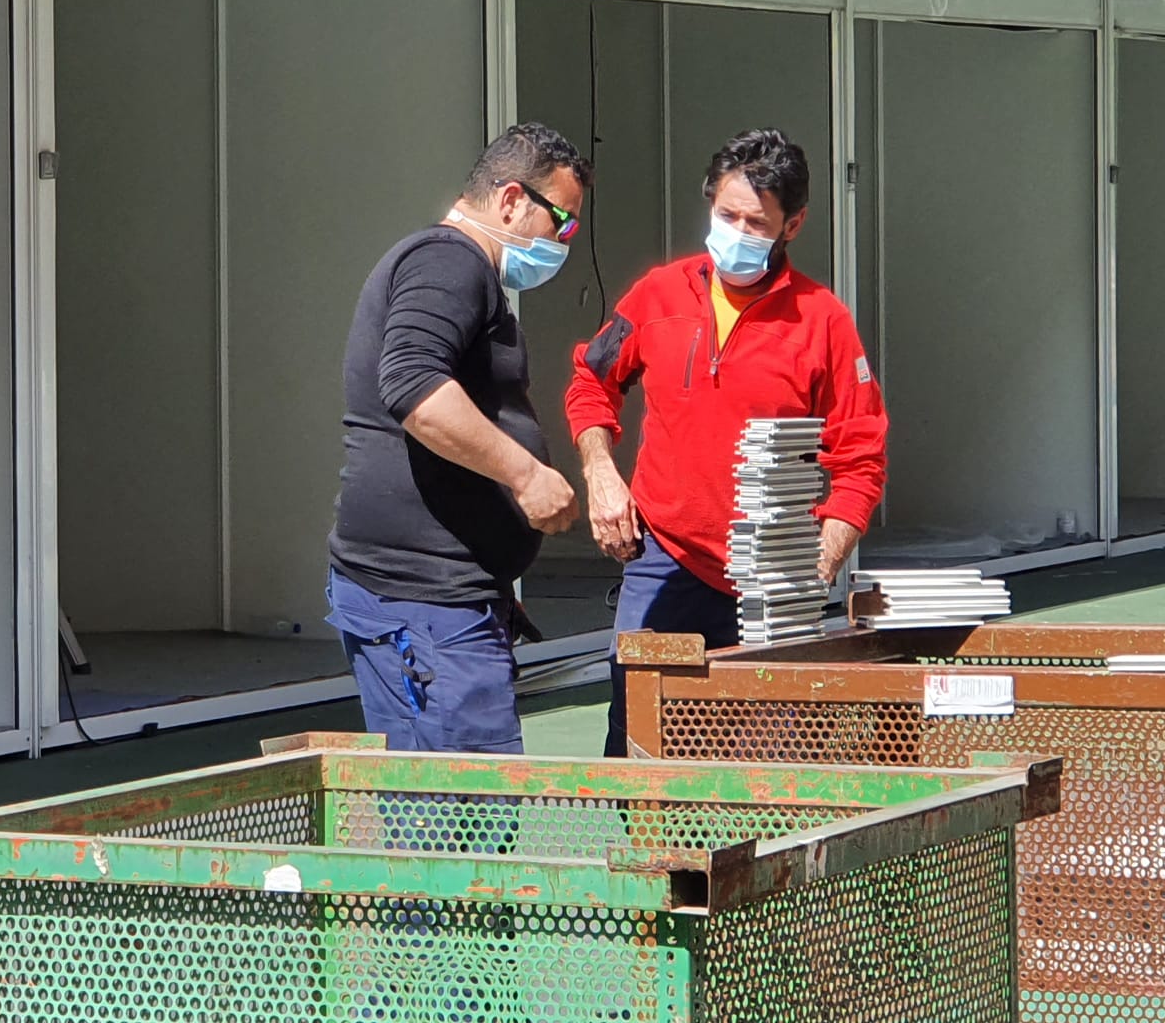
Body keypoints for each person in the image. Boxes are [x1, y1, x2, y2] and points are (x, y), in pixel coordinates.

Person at [566, 127, 887, 756]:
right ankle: (650, 855)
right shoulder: (657, 296)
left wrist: (818, 559)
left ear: (793, 225)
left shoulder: (823, 322)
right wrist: (601, 471)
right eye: (726, 215)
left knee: (770, 748)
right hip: (666, 558)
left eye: (757, 222)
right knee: (639, 735)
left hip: (773, 575)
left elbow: (861, 456)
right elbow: (591, 382)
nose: (736, 233)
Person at [326, 122, 592, 753]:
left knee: (466, 812)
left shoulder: (459, 270)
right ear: (510, 201)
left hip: (445, 599)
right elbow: (414, 386)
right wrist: (526, 475)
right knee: (463, 816)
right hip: (421, 602)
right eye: (563, 222)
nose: (564, 242)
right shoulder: (447, 262)